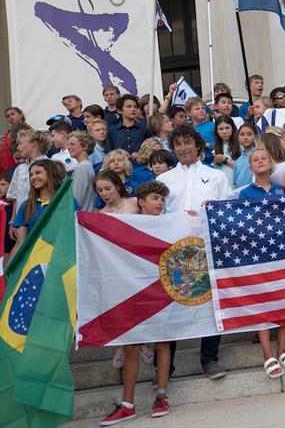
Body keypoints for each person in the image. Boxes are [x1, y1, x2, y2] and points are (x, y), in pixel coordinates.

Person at [158, 125, 233, 379]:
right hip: (173, 252)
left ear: (198, 145)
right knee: (171, 308)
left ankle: (209, 359)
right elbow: (156, 215)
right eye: (177, 144)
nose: (183, 148)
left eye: (187, 142)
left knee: (210, 307)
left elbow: (226, 212)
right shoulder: (164, 179)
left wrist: (207, 212)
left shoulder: (216, 177)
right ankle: (166, 366)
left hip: (206, 251)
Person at [99, 181, 173, 425]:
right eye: (155, 198)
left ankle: (161, 396)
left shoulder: (171, 223)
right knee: (131, 346)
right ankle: (127, 404)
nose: (160, 203)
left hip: (162, 291)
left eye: (162, 199)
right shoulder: (127, 224)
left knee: (163, 344)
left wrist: (192, 218)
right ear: (141, 202)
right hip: (133, 292)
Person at [236, 148, 285, 377]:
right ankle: (267, 354)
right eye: (256, 160)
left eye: (264, 158)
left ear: (270, 164)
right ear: (250, 167)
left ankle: (282, 350)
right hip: (258, 255)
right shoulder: (245, 194)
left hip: (281, 252)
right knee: (262, 303)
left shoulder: (282, 190)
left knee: (282, 300)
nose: (261, 161)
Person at [8, 159, 68, 262]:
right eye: (31, 174)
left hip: (59, 261)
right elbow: (20, 243)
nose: (33, 177)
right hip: (34, 262)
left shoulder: (67, 201)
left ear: (50, 174)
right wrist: (8, 271)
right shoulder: (26, 206)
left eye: (38, 173)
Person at [6, 130, 51, 229]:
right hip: (21, 222)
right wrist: (13, 221)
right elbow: (15, 198)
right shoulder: (20, 169)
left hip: (43, 220)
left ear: (34, 143)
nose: (18, 148)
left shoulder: (51, 165)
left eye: (21, 143)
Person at [67, 130, 97, 211]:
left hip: (81, 216)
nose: (68, 147)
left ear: (85, 146)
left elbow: (76, 198)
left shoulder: (82, 167)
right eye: (68, 144)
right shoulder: (86, 166)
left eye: (72, 144)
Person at [212, 115, 240, 184]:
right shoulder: (215, 148)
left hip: (236, 185)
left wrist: (225, 160)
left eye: (227, 128)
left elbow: (243, 169)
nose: (224, 132)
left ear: (232, 128)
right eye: (221, 129)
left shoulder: (241, 145)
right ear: (216, 131)